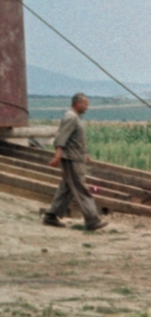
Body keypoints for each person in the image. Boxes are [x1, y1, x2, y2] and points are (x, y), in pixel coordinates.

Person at [43, 92, 107, 231]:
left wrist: (85, 153)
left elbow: (75, 139)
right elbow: (61, 138)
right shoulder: (71, 117)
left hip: (76, 157)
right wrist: (57, 156)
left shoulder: (75, 117)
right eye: (85, 104)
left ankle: (51, 216)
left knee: (66, 189)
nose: (87, 107)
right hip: (72, 159)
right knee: (81, 189)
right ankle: (92, 220)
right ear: (77, 104)